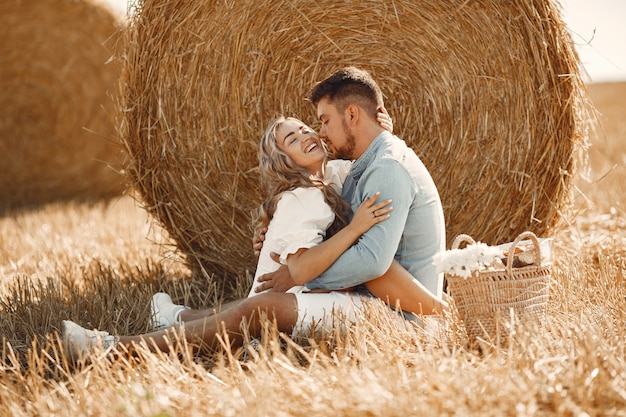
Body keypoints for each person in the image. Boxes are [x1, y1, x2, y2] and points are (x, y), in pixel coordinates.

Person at [61, 68, 447, 356]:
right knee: (258, 305)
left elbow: (371, 263)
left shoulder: (386, 167)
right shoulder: (360, 166)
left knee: (263, 306)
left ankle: (113, 349)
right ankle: (174, 321)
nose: (320, 134)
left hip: (402, 318)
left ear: (351, 115)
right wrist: (280, 240)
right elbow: (334, 207)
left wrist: (298, 274)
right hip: (376, 301)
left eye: (324, 122)